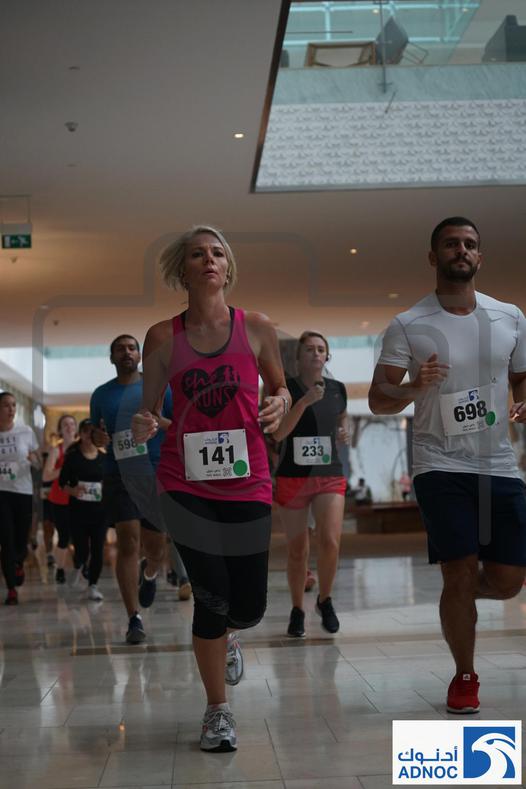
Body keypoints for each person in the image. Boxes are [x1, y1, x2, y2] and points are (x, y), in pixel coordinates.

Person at [132, 224, 289, 752]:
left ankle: (232, 634)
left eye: (217, 253)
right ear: (183, 270)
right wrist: (144, 424)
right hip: (185, 483)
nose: (209, 260)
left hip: (248, 482)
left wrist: (281, 401)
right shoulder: (162, 337)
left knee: (248, 605)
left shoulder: (257, 327)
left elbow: (280, 387)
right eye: (198, 254)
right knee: (211, 595)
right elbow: (149, 409)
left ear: (228, 267)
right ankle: (217, 710)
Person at [369, 216, 526, 715]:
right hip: (439, 464)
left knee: (509, 580)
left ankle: (456, 597)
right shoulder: (409, 324)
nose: (462, 250)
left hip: (498, 464)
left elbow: (521, 377)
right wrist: (415, 386)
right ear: (433, 256)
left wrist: (523, 400)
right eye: (452, 243)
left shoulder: (510, 317)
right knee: (458, 571)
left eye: (470, 244)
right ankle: (465, 675)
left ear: (480, 256)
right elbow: (378, 399)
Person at [90, 334, 171, 644]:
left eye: (132, 348)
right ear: (112, 357)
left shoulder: (159, 387)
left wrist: (156, 423)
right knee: (128, 542)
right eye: (120, 349)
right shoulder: (101, 394)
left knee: (156, 547)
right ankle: (133, 618)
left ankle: (149, 574)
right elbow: (96, 432)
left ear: (139, 355)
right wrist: (97, 439)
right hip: (119, 475)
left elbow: (176, 424)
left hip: (155, 474)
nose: (126, 352)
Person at [273, 331, 349, 638]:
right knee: (297, 550)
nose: (316, 353)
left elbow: (342, 418)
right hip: (292, 475)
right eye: (309, 349)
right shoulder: (286, 390)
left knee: (330, 541)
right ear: (299, 357)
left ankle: (325, 600)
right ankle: (297, 609)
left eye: (321, 349)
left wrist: (344, 431)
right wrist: (304, 401)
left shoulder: (337, 389)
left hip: (329, 473)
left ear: (327, 356)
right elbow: (278, 433)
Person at [59, 418, 106, 600]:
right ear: (80, 434)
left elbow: (110, 483)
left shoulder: (103, 458)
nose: (89, 435)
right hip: (78, 512)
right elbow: (62, 483)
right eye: (86, 431)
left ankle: (93, 585)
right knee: (82, 549)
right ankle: (79, 564)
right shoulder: (73, 457)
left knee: (98, 549)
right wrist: (73, 490)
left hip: (100, 512)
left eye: (93, 431)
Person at [0, 391, 40, 605]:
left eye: (14, 405)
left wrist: (33, 459)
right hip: (1, 492)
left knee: (21, 538)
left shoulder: (25, 431)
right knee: (6, 538)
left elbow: (38, 463)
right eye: (6, 405)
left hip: (23, 491)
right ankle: (11, 589)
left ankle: (18, 562)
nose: (11, 409)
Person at [43, 414, 77, 584]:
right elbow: (46, 475)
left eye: (72, 424)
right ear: (60, 430)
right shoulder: (57, 450)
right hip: (59, 499)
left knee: (80, 536)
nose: (69, 427)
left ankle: (81, 565)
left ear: (76, 428)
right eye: (65, 425)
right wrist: (65, 468)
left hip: (79, 499)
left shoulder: (82, 448)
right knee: (63, 536)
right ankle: (61, 569)